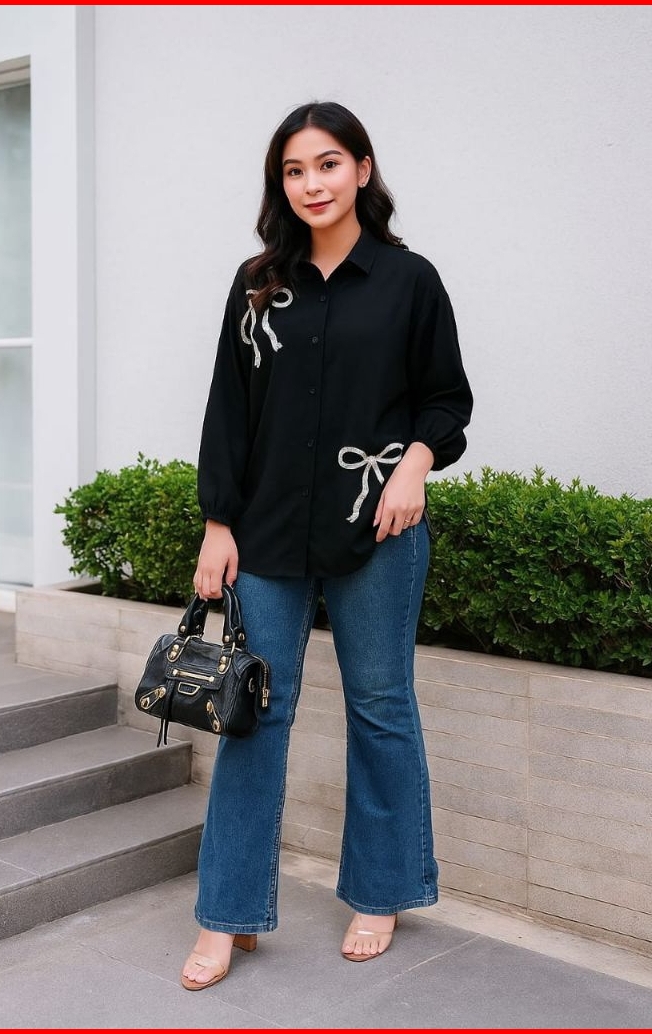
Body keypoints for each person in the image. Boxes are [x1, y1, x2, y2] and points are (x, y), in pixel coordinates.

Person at [181, 100, 474, 991]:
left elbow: (447, 400)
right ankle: (227, 915)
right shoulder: (257, 283)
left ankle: (382, 892)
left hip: (380, 529)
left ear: (363, 169)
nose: (312, 183)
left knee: (380, 707)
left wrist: (415, 465)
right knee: (253, 714)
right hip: (267, 535)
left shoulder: (409, 280)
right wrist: (217, 523)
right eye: (294, 170)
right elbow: (230, 410)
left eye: (328, 164)